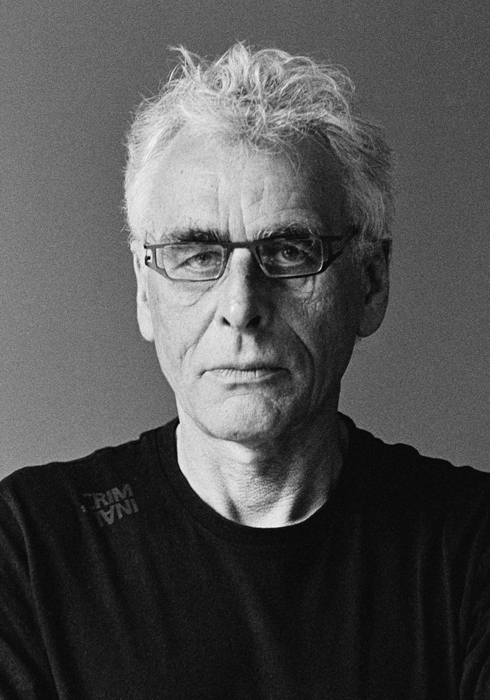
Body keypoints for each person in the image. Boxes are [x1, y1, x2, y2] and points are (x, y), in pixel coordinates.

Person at [0, 43, 489, 700]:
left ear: (370, 283)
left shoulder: (471, 546)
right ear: (145, 292)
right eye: (197, 255)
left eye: (289, 251)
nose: (240, 306)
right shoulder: (30, 547)